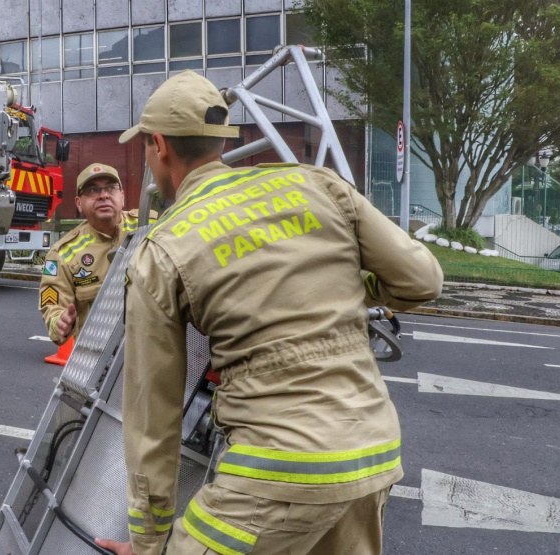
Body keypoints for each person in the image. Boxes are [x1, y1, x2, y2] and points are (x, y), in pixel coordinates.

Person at [95, 71, 443, 555]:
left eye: (146, 148)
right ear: (220, 138)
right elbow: (422, 280)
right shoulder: (317, 184)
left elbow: (153, 416)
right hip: (373, 451)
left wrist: (150, 542)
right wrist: (350, 289)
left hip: (276, 470)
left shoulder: (162, 250)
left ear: (159, 145)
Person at [39, 163, 141, 345]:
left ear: (122, 196)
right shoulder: (63, 253)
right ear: (79, 203)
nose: (103, 195)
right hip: (99, 353)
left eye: (111, 188)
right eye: (93, 190)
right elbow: (52, 304)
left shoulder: (149, 225)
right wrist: (59, 322)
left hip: (149, 349)